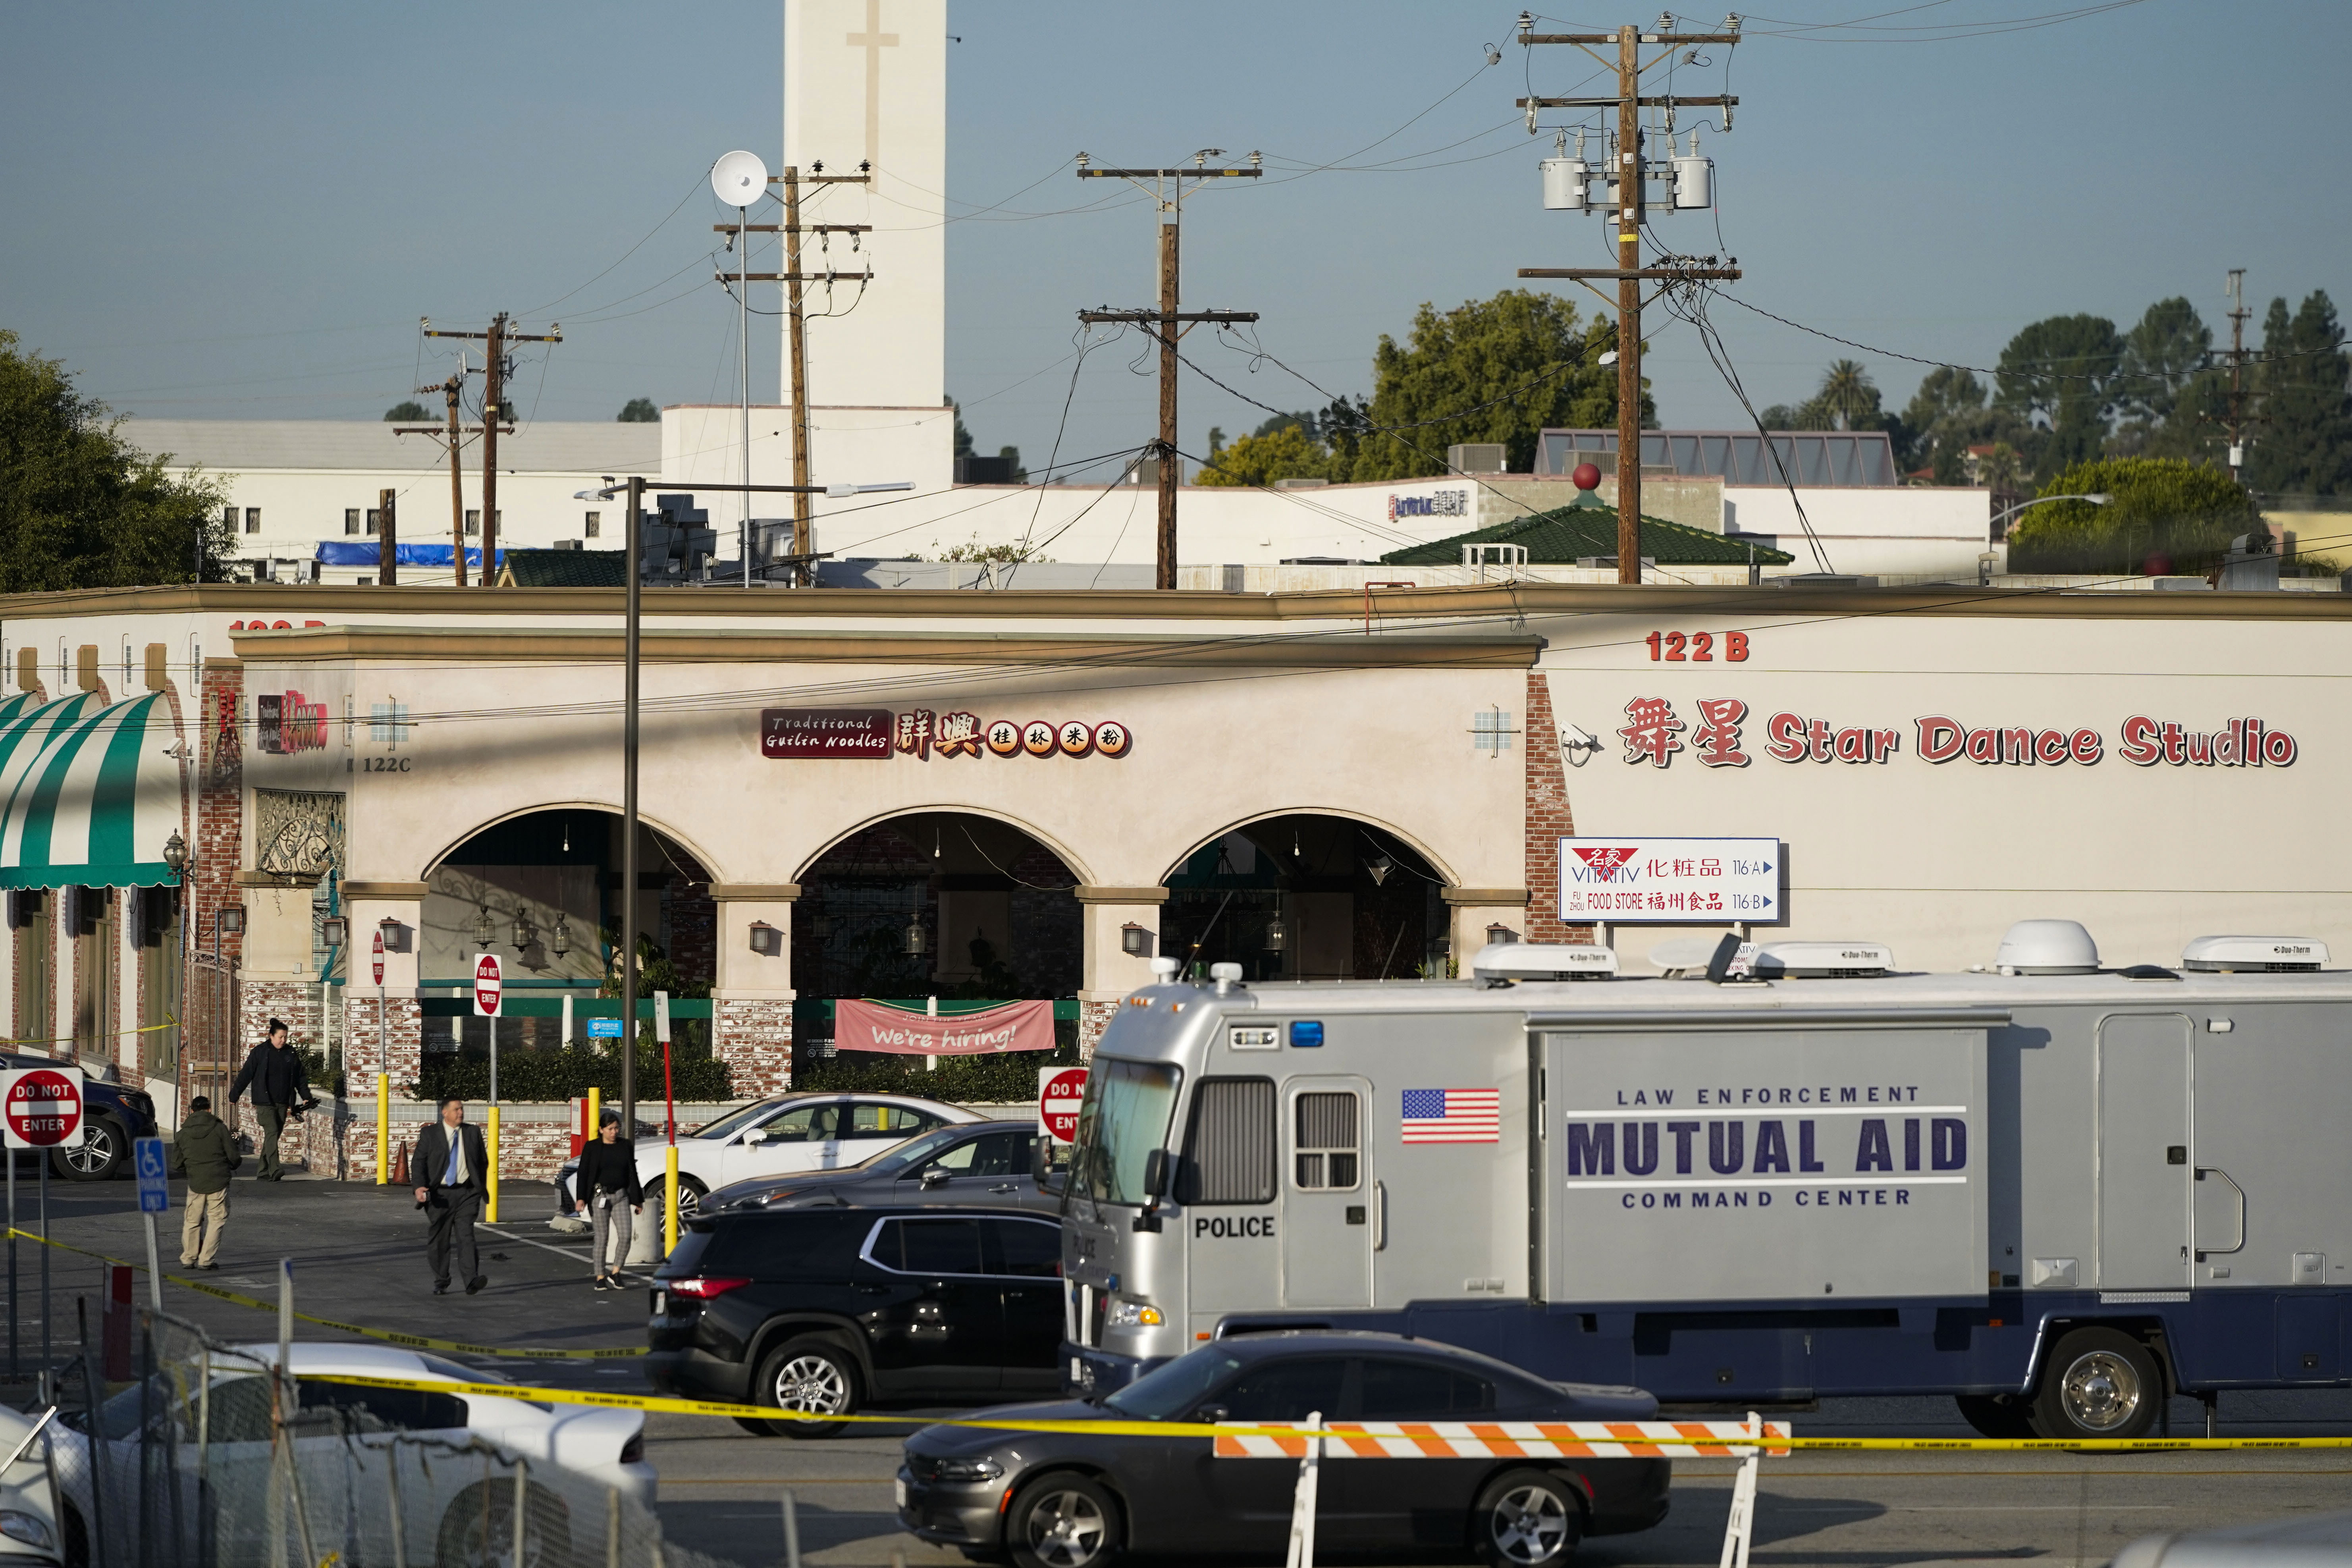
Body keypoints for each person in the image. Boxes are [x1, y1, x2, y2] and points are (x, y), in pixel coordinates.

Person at [411, 1095, 489, 1296]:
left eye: (462, 1109)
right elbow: (419, 1162)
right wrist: (420, 1188)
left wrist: (479, 1187)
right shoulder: (430, 1134)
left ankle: (472, 1279)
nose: (461, 1113)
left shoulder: (473, 1132)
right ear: (444, 1113)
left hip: (467, 1193)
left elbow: (482, 1161)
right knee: (440, 1239)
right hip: (439, 1195)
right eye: (456, 1110)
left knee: (466, 1235)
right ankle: (442, 1280)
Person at [227, 1018, 316, 1180]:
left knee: (272, 1136)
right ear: (271, 1036)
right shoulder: (260, 1052)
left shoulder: (291, 1053)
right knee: (272, 1131)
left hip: (283, 1101)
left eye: (285, 1037)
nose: (283, 1040)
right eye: (280, 1037)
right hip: (264, 1102)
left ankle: (262, 1170)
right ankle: (275, 1169)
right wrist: (235, 1095)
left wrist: (306, 1097)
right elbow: (246, 1074)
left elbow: (299, 1077)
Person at [167, 1095, 239, 1269]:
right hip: (219, 1181)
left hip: (195, 1182)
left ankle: (189, 1257)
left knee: (192, 1220)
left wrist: (190, 1171)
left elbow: (176, 1163)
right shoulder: (220, 1128)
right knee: (216, 1220)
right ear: (209, 1109)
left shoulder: (182, 1133)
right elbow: (234, 1157)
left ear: (192, 1111)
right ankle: (206, 1260)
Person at [575, 1109, 643, 1290]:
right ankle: (600, 1276)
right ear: (601, 1129)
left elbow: (631, 1173)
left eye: (617, 1128)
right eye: (611, 1129)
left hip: (621, 1196)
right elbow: (583, 1173)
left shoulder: (625, 1145)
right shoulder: (592, 1147)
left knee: (626, 1236)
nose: (615, 1132)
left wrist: (638, 1200)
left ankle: (616, 1272)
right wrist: (581, 1198)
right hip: (599, 1197)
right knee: (602, 1238)